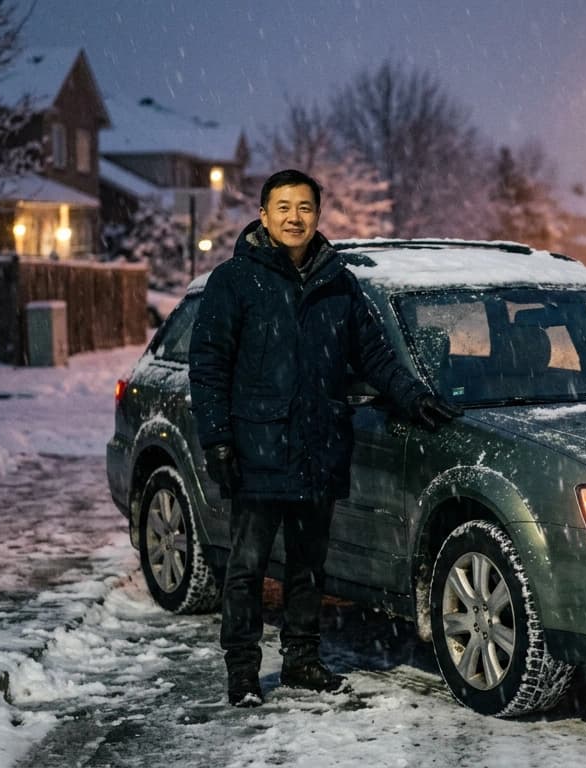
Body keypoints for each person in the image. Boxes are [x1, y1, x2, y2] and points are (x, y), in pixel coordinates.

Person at [188, 169, 461, 707]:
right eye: (283, 207)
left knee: (310, 565)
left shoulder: (339, 282)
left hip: (318, 446)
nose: (295, 217)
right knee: (246, 567)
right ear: (263, 215)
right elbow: (209, 366)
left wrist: (412, 396)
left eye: (305, 208)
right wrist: (218, 440)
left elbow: (375, 354)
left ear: (318, 215)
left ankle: (302, 661)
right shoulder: (235, 281)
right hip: (257, 449)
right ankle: (242, 672)